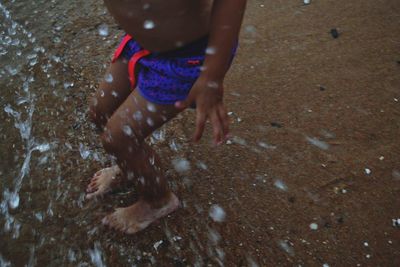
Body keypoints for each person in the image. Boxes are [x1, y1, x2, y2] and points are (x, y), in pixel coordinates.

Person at [86, 0, 247, 234]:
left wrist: (212, 75)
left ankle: (158, 200)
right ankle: (131, 164)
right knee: (100, 112)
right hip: (141, 43)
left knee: (117, 138)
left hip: (190, 57)